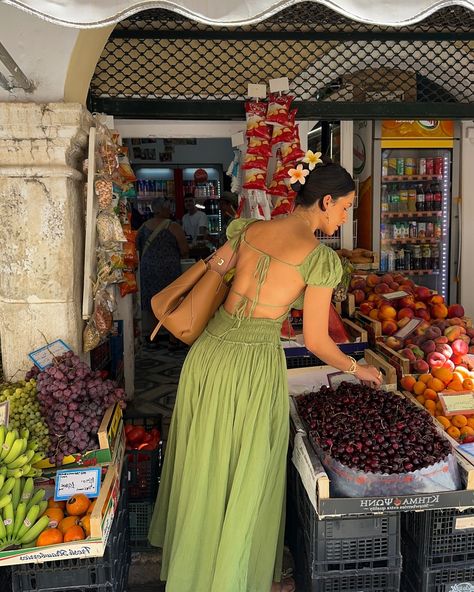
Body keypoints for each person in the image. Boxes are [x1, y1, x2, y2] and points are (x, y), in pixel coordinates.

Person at [148, 158, 383, 592]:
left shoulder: (250, 230)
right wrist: (357, 367)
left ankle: (194, 565)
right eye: (347, 207)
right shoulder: (318, 260)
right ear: (326, 201)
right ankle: (232, 576)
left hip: (208, 355)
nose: (345, 217)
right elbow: (316, 341)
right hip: (253, 364)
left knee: (206, 459)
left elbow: (222, 276)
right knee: (249, 467)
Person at [136, 198, 189, 343]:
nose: (170, 210)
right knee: (171, 301)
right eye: (168, 208)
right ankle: (173, 338)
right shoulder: (173, 226)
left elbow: (136, 247)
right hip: (169, 269)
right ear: (163, 210)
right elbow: (184, 250)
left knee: (153, 302)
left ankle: (154, 336)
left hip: (148, 270)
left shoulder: (143, 227)